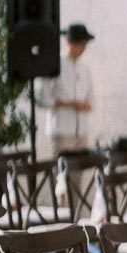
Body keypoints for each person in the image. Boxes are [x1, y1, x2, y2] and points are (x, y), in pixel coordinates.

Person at [38, 22, 95, 159]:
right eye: (79, 44)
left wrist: (85, 105)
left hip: (81, 131)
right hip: (61, 130)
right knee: (62, 175)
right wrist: (67, 104)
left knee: (78, 176)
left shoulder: (85, 70)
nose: (82, 48)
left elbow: (91, 100)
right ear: (68, 42)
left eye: (84, 44)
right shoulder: (55, 65)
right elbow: (41, 98)